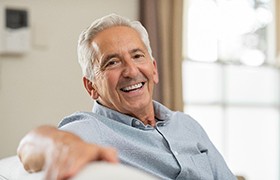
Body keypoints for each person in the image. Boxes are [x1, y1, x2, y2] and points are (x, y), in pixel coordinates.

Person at [17, 14, 237, 180]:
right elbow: (29, 147)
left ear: (154, 70)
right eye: (112, 62)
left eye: (137, 56)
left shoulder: (187, 125)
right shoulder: (91, 130)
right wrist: (60, 145)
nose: (131, 71)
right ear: (91, 86)